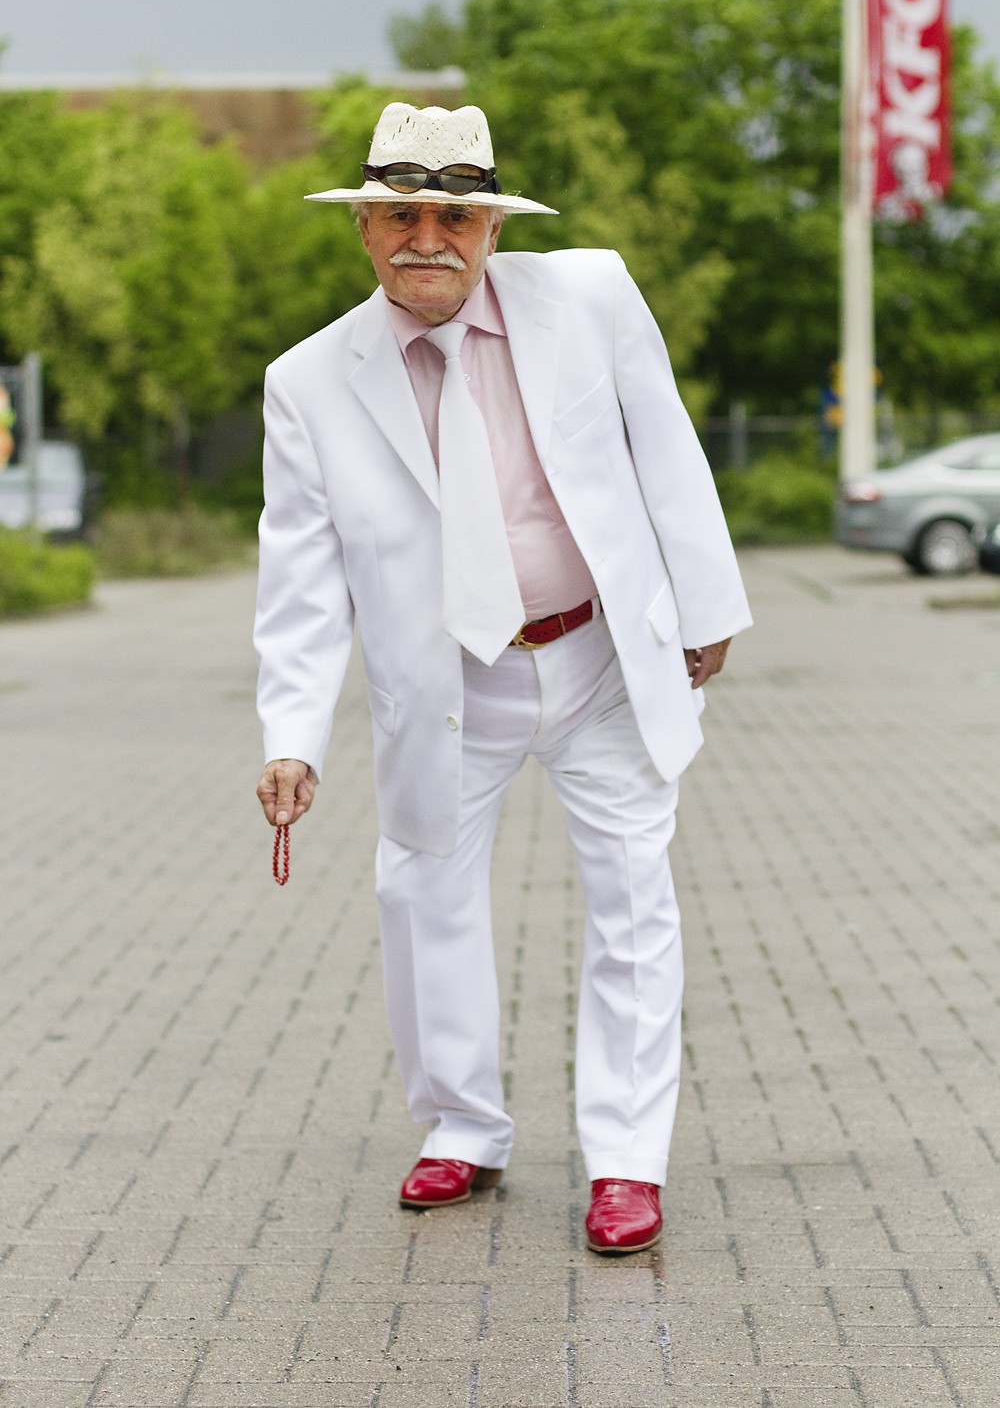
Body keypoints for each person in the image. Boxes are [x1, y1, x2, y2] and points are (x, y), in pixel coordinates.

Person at [254, 102, 751, 1255]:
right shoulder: (308, 382)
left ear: (492, 227)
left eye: (454, 217)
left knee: (632, 901)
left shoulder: (589, 295)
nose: (427, 239)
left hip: (598, 659)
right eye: (401, 216)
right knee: (419, 896)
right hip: (446, 681)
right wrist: (291, 735)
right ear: (364, 228)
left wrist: (707, 603)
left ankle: (626, 1161)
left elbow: (664, 442)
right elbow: (301, 576)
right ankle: (463, 1125)